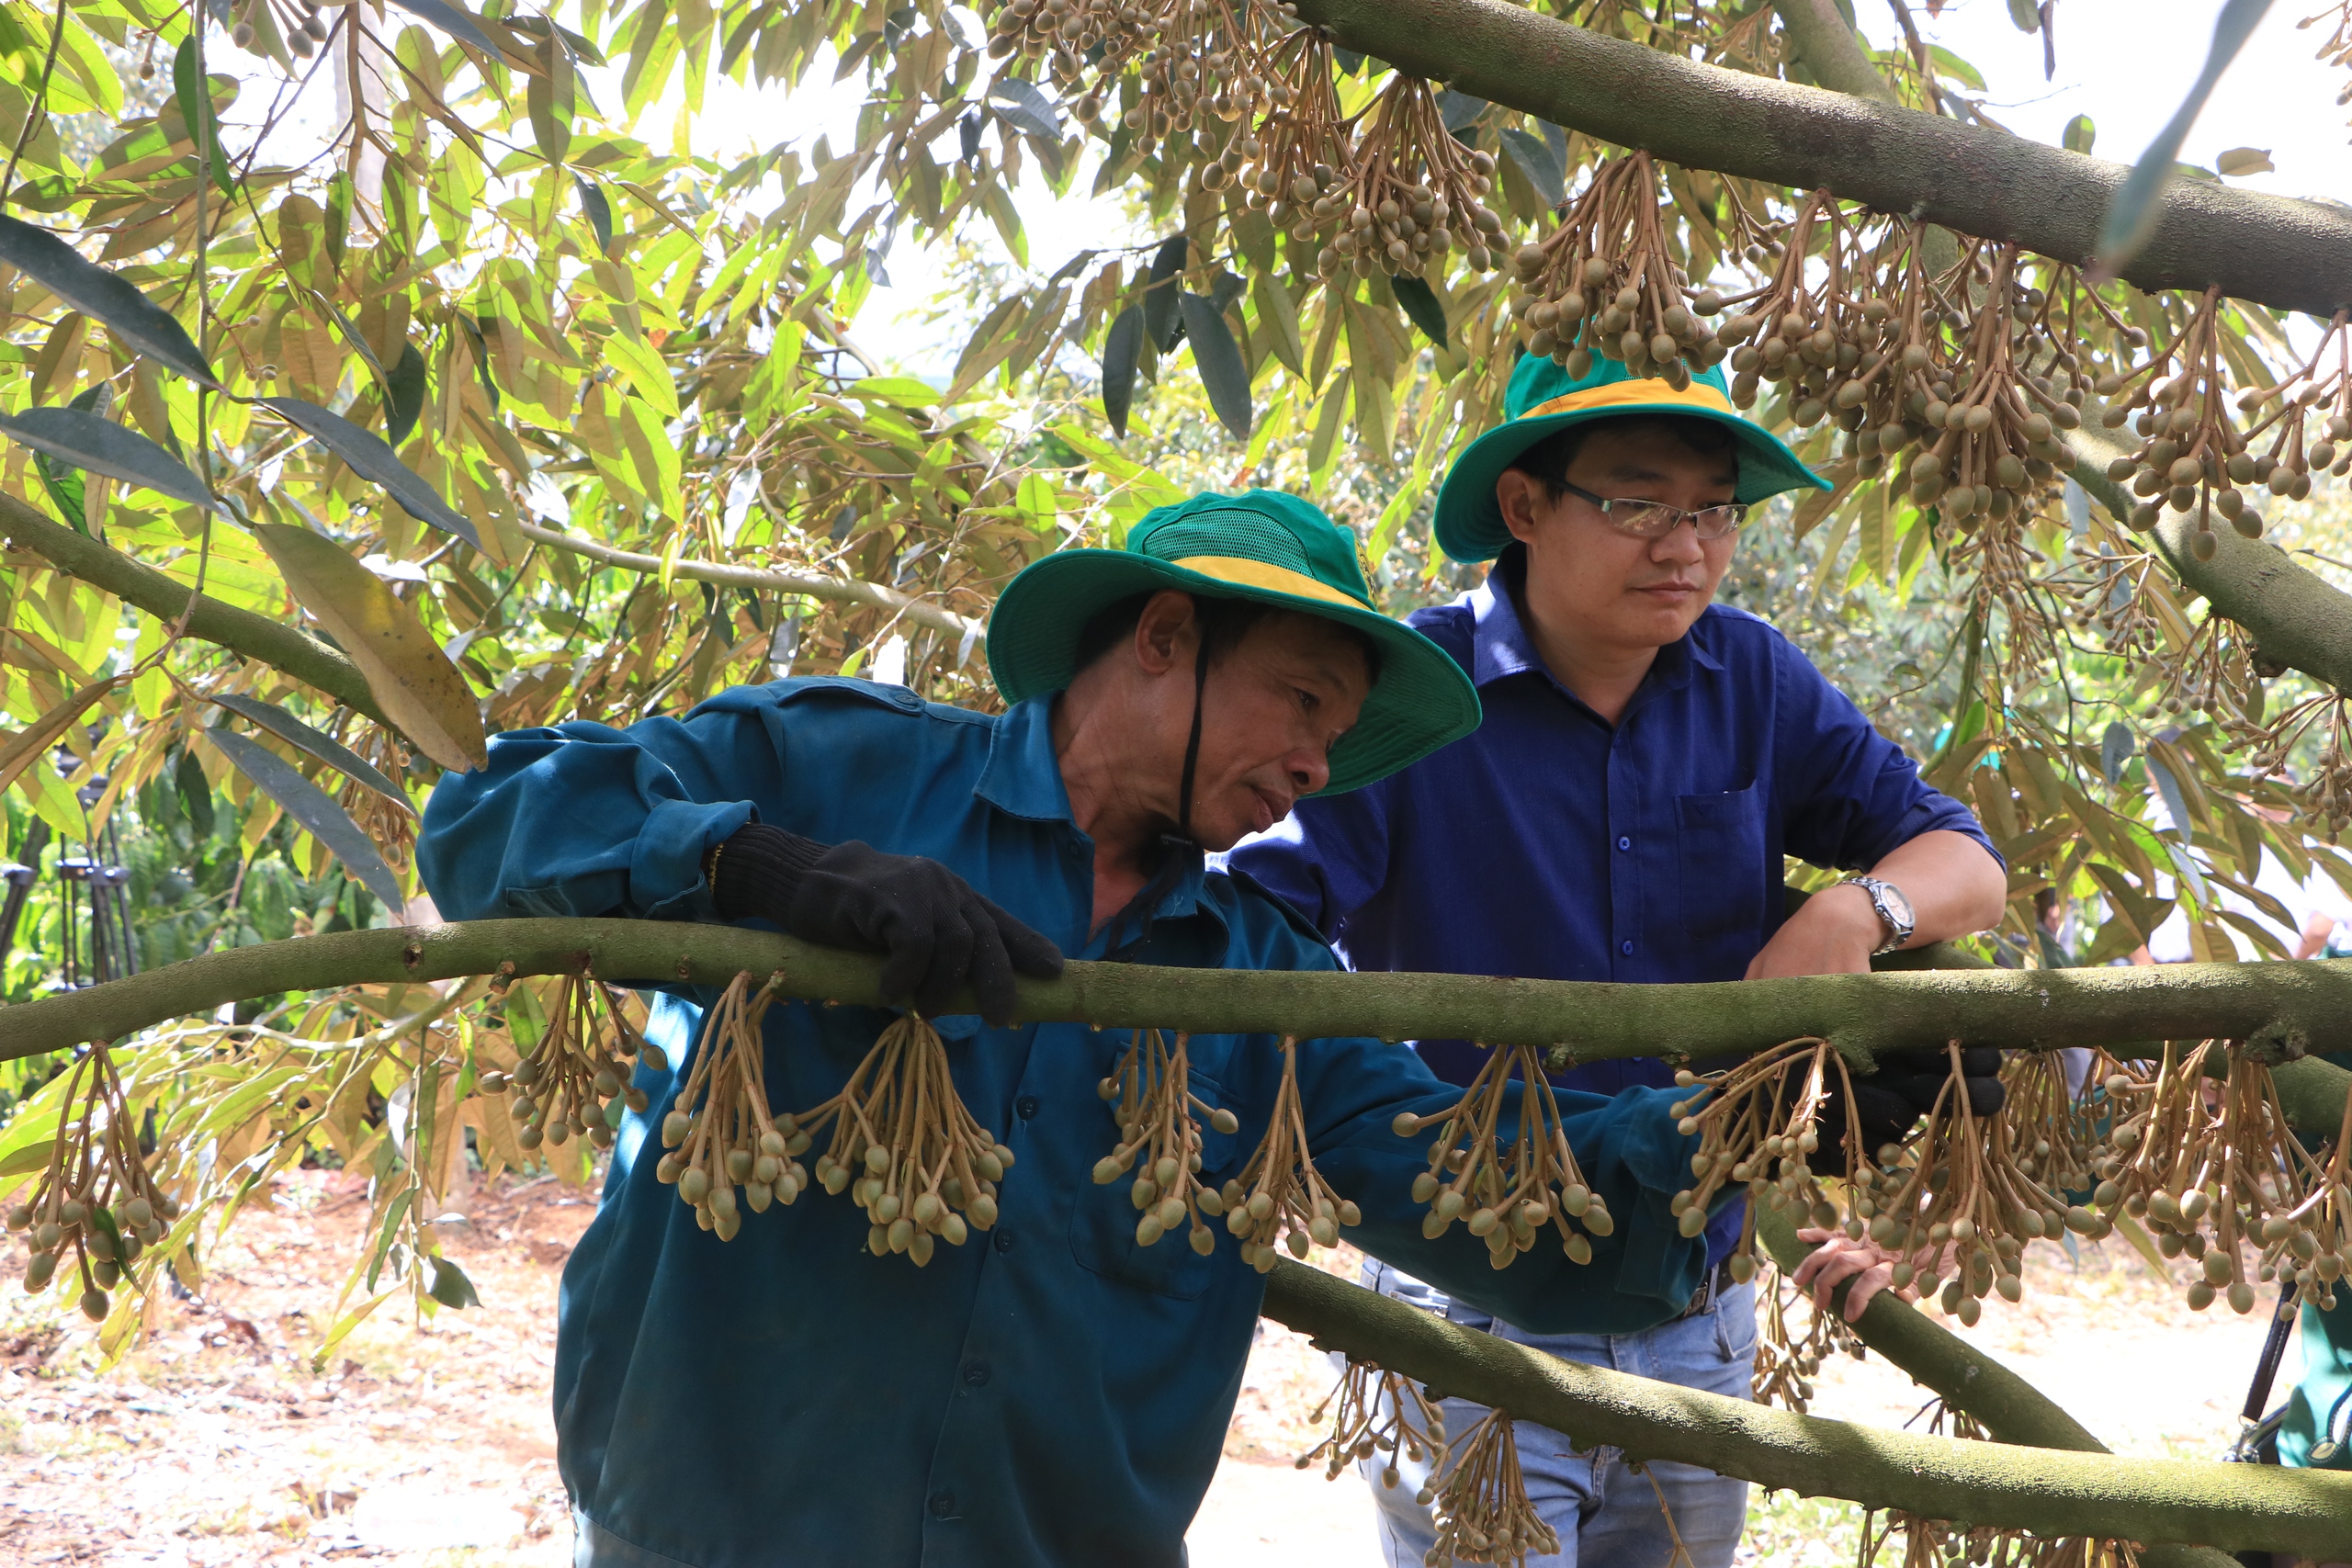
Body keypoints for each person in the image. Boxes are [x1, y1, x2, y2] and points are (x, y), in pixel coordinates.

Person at [414, 491, 1966, 1568]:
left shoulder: (1258, 979)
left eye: (1339, 734)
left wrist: (1739, 1128)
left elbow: (1481, 1192)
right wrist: (763, 868)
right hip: (721, 1525)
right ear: (1163, 639)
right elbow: (483, 828)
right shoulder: (835, 771)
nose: (1316, 760)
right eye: (1298, 703)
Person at [1226, 352, 2008, 1568]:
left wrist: (1860, 910)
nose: (1683, 546)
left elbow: (1964, 861)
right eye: (1638, 503)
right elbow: (1250, 920)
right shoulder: (1411, 699)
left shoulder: (1750, 679)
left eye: (1712, 510)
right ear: (1525, 508)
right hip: (1468, 1292)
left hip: (1698, 1304)